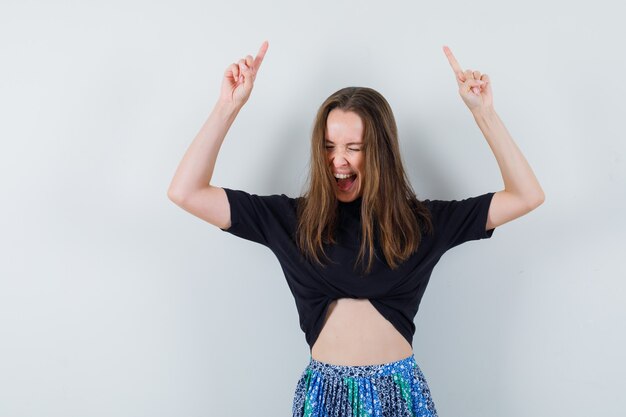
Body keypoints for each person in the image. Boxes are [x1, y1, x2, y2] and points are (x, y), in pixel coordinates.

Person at [167, 40, 545, 417]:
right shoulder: (290, 220)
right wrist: (227, 106)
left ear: (379, 151)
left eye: (354, 147)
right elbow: (186, 192)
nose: (338, 160)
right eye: (329, 146)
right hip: (324, 400)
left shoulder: (422, 224)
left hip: (399, 397)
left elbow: (526, 196)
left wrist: (484, 114)